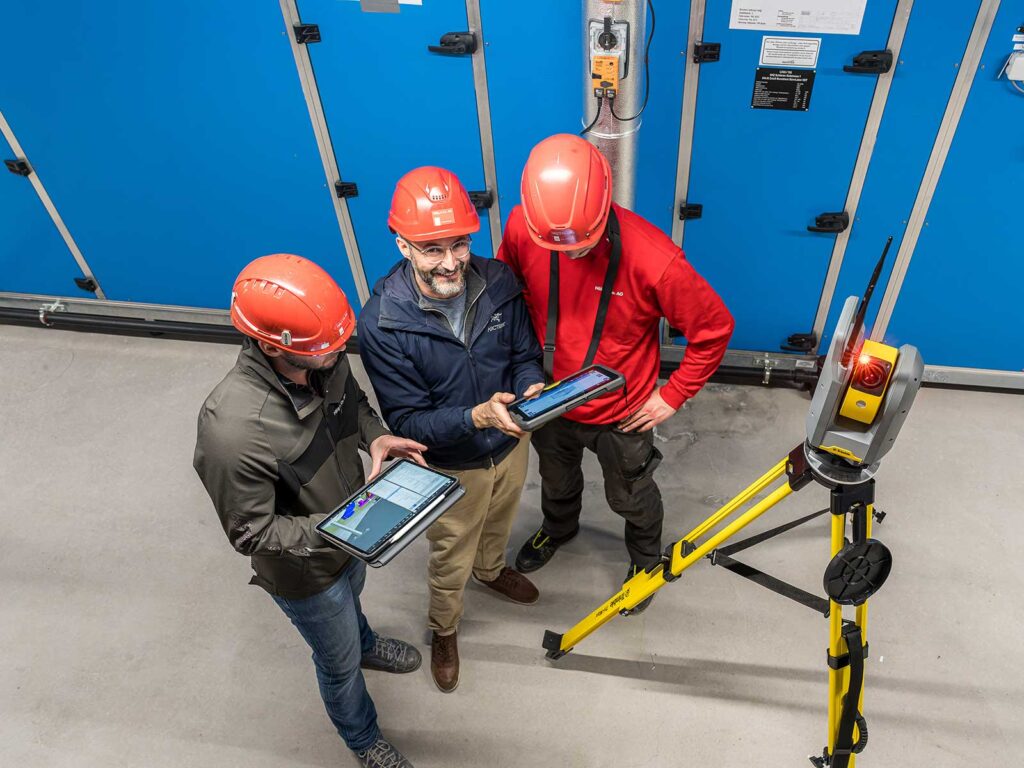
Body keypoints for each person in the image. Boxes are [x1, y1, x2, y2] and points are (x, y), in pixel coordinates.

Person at [194, 253, 428, 768]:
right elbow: (251, 534)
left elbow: (356, 408)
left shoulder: (321, 355)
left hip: (351, 532)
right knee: (337, 662)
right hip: (307, 572)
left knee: (355, 605)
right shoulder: (234, 429)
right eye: (330, 346)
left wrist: (377, 436)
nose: (342, 350)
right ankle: (362, 738)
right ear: (276, 346)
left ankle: (365, 641)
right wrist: (342, 530)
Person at [498, 134, 734, 614]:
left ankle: (645, 562)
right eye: (556, 247)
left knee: (631, 495)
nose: (568, 255)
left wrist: (673, 395)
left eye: (581, 246)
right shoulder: (528, 225)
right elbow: (509, 288)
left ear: (605, 205)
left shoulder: (656, 260)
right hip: (549, 398)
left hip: (622, 414)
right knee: (556, 479)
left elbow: (714, 329)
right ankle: (560, 529)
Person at [358, 167, 546, 692]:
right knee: (449, 552)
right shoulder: (383, 323)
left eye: (459, 243)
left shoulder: (500, 282)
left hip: (510, 442)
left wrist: (531, 388)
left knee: (500, 520)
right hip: (452, 464)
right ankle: (445, 628)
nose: (450, 261)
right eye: (431, 248)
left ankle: (491, 570)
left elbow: (526, 355)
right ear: (402, 245)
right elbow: (410, 423)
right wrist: (475, 417)